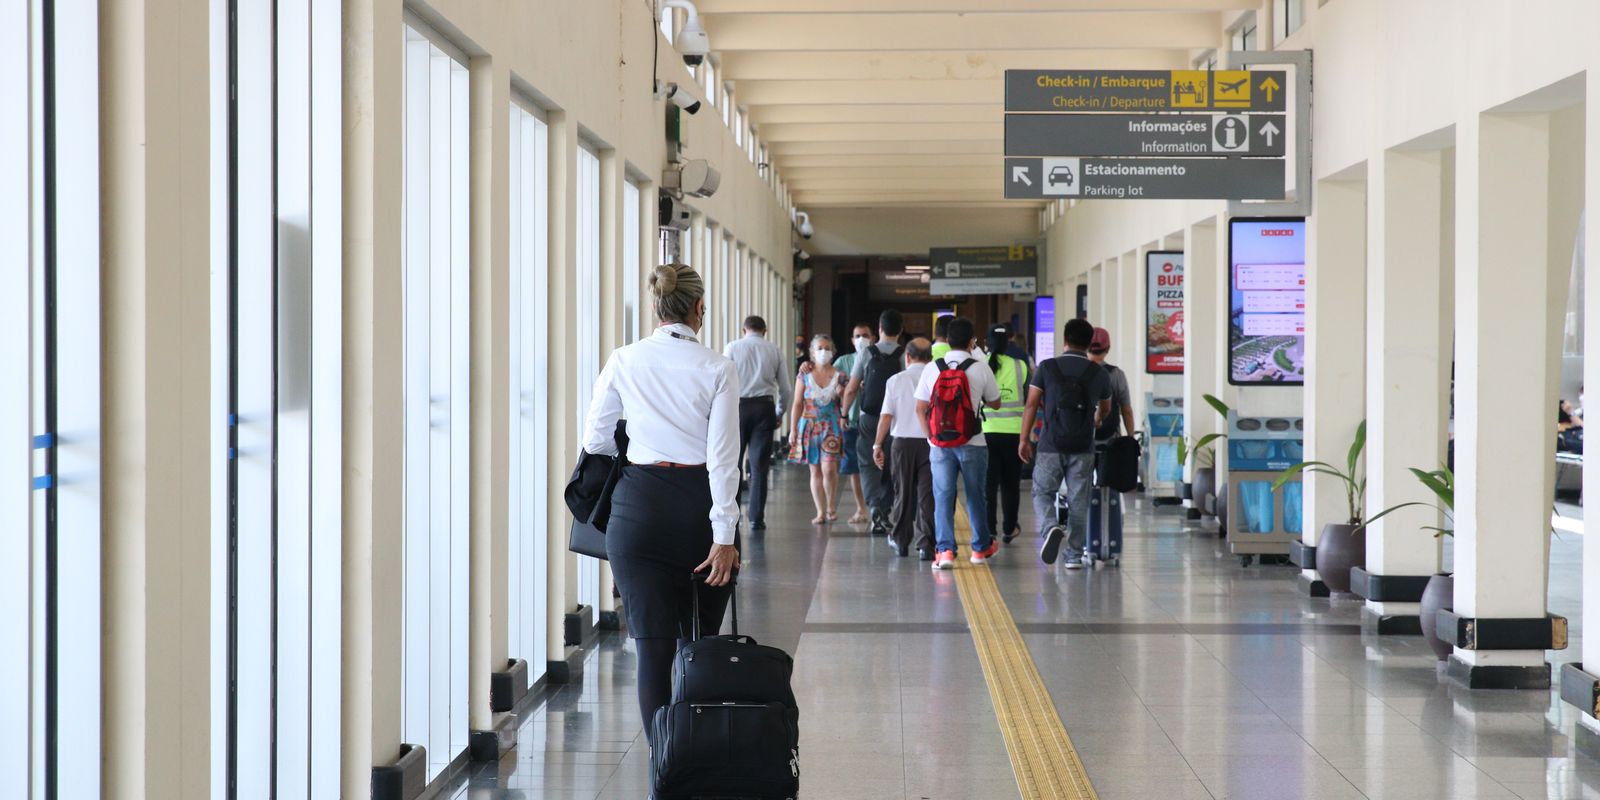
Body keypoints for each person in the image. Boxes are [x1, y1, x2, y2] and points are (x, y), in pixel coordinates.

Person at [581, 263, 739, 750]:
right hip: (697, 512)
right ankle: (698, 754)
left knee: (652, 647)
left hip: (637, 512)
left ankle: (663, 770)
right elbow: (723, 461)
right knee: (698, 646)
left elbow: (597, 439)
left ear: (655, 308)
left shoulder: (624, 359)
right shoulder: (717, 367)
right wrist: (725, 537)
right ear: (699, 308)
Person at [1019, 318, 1110, 570]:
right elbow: (1106, 407)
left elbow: (1030, 404)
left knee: (1042, 492)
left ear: (1065, 340)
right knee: (1079, 500)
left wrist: (1024, 439)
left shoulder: (1047, 368)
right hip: (1083, 445)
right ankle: (1073, 555)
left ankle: (1050, 528)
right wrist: (1097, 418)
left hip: (1050, 444)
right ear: (1089, 342)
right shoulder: (1098, 373)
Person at [915, 317, 1002, 570]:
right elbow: (995, 402)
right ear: (971, 341)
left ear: (945, 340)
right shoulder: (980, 367)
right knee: (976, 495)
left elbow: (920, 408)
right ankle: (980, 548)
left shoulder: (932, 367)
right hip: (973, 442)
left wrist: (930, 438)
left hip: (940, 445)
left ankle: (945, 552)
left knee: (942, 496)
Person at [722, 315, 792, 532]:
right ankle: (756, 518)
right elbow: (786, 389)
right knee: (759, 466)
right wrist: (780, 412)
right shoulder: (774, 350)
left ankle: (731, 516)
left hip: (738, 408)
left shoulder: (732, 347)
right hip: (764, 408)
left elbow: (723, 380)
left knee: (733, 463)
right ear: (765, 330)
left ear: (744, 329)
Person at [841, 309, 906, 536]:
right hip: (896, 419)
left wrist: (843, 413)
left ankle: (875, 507)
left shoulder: (867, 353)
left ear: (879, 330)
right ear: (900, 330)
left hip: (869, 417)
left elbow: (851, 388)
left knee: (868, 464)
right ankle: (885, 507)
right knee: (892, 464)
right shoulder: (904, 354)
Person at [875, 338, 936, 559]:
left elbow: (886, 416)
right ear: (931, 358)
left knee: (903, 494)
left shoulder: (895, 380)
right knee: (927, 495)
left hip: (901, 443)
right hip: (931, 443)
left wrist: (877, 444)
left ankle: (901, 542)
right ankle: (925, 546)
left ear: (907, 357)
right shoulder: (936, 377)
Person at [1086, 327, 1136, 554]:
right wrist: (1130, 437)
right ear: (1108, 349)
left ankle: (1087, 539)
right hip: (1110, 442)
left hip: (1082, 441)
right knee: (1110, 488)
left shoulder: (1079, 371)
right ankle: (1111, 535)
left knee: (1083, 488)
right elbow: (1126, 409)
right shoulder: (1116, 374)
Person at [982, 324, 1031, 544]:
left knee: (988, 485)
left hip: (985, 433)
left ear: (987, 343)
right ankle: (1009, 528)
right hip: (1014, 433)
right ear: (1008, 342)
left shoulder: (979, 365)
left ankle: (989, 529)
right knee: (1010, 485)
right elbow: (1030, 400)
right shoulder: (1021, 366)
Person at [789, 334, 846, 523]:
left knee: (829, 467)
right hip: (810, 425)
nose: (824, 351)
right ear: (812, 352)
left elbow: (847, 402)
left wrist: (842, 393)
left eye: (827, 348)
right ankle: (820, 511)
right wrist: (793, 429)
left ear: (833, 351)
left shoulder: (840, 376)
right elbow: (797, 403)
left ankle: (831, 506)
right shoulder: (804, 374)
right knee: (815, 470)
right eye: (819, 348)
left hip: (831, 425)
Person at [834, 323, 875, 524]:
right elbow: (832, 385)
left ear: (873, 337)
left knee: (876, 464)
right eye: (857, 336)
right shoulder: (843, 361)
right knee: (854, 467)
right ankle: (861, 508)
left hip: (874, 420)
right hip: (851, 421)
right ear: (852, 340)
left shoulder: (877, 359)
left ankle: (876, 506)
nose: (861, 339)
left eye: (865, 335)